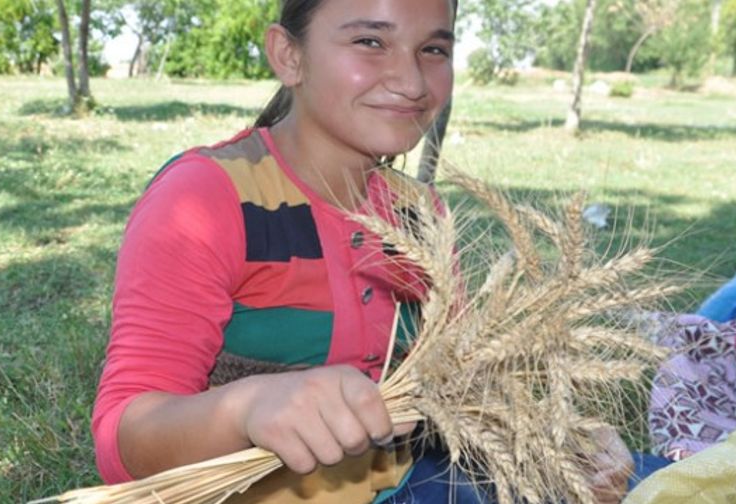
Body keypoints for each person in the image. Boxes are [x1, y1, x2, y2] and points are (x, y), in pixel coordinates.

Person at [91, 1, 634, 501]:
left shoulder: (421, 213)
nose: (412, 80)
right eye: (371, 42)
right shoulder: (208, 199)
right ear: (289, 54)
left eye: (434, 50)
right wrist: (245, 408)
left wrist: (560, 436)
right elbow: (123, 441)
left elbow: (460, 385)